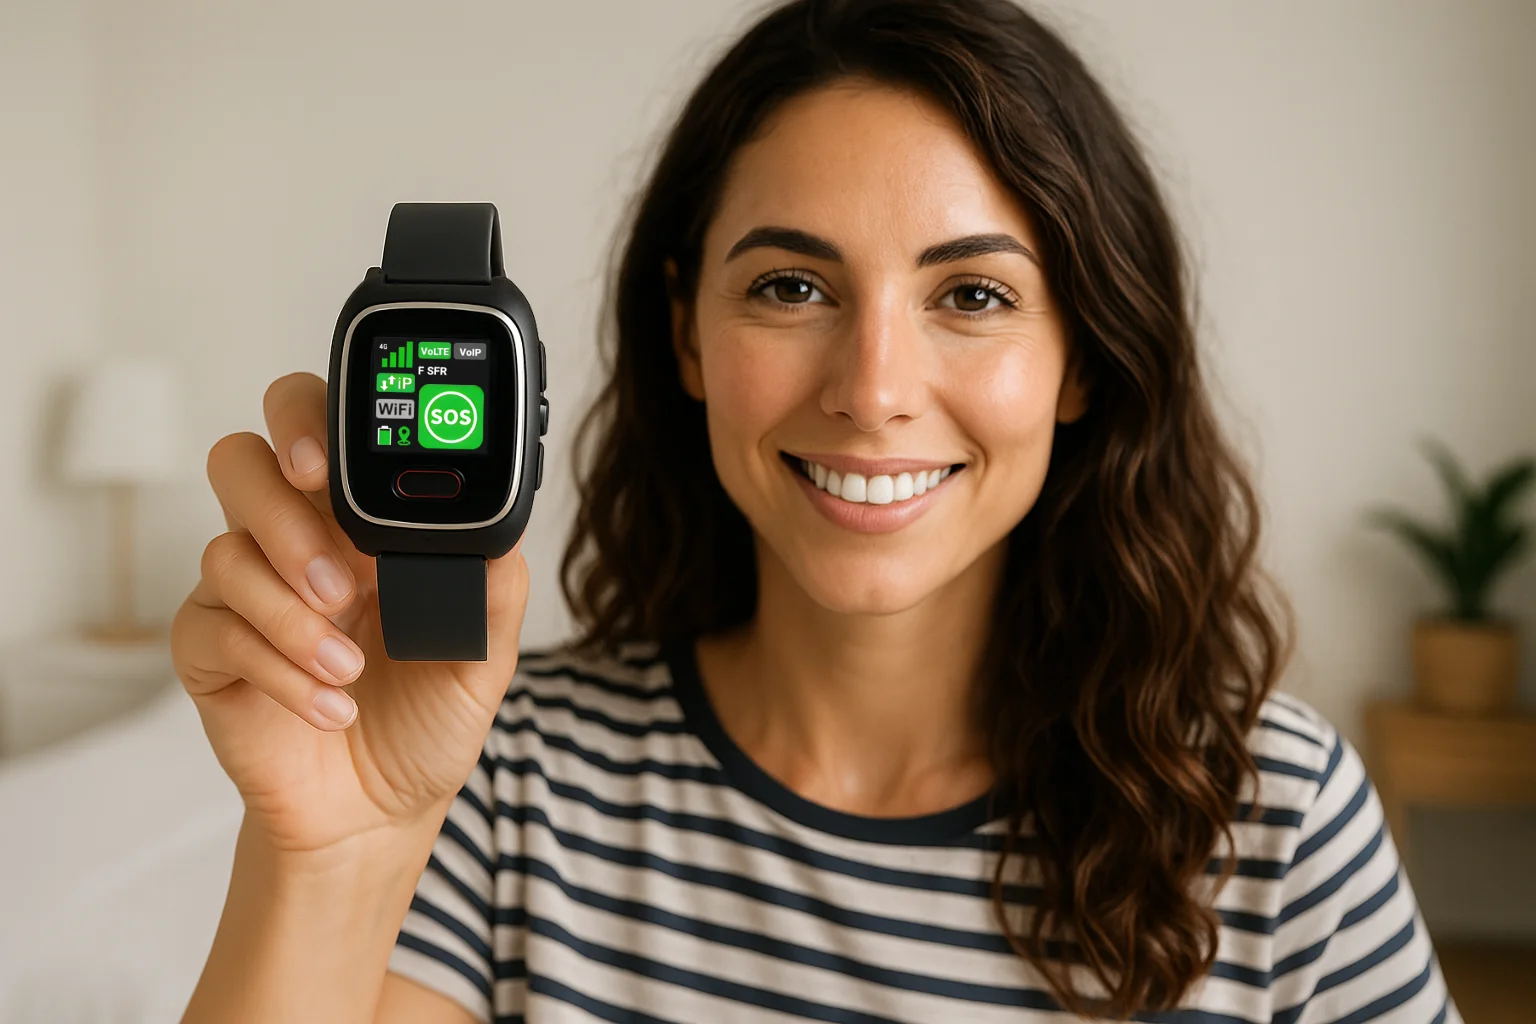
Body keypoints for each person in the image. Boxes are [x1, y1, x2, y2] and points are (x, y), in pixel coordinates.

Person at [172, 1, 1461, 1021]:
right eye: (791, 287)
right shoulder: (503, 779)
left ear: (1083, 357)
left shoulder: (1275, 815)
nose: (874, 392)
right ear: (684, 333)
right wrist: (335, 845)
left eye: (972, 297)